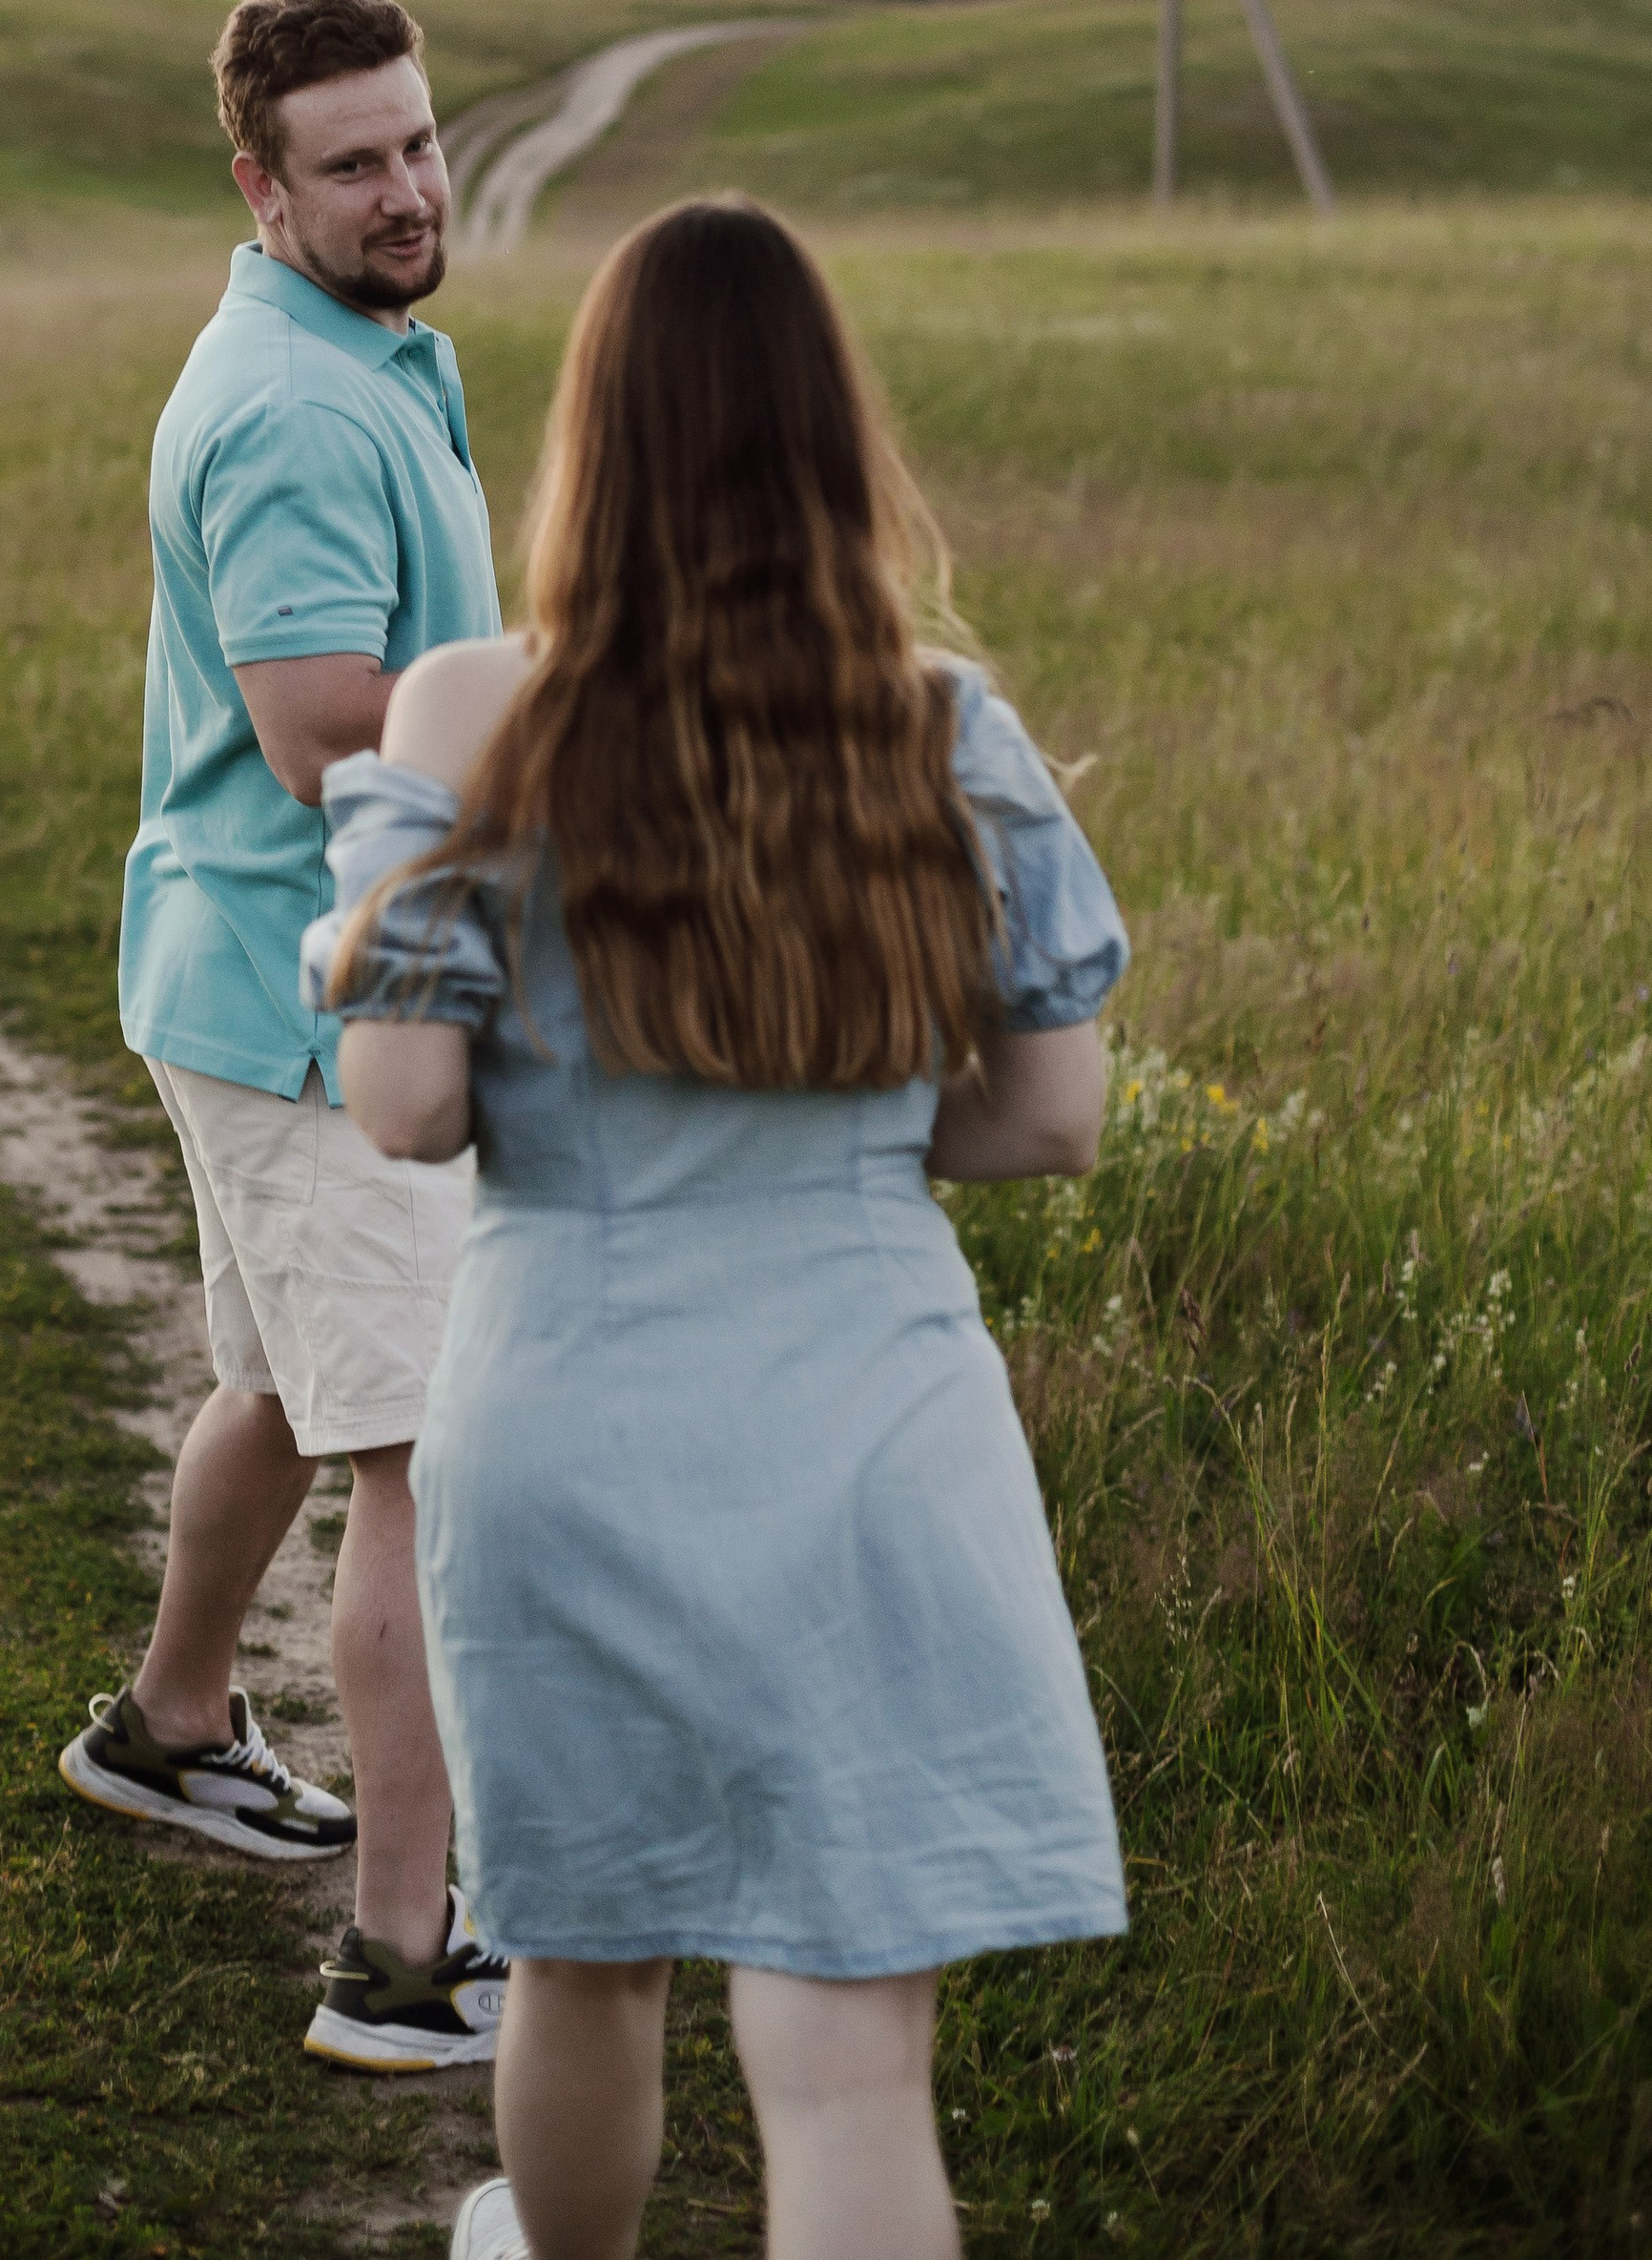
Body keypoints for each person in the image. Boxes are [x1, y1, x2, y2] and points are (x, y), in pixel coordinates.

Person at [299, 196, 1131, 2260]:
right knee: (848, 2050)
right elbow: (1046, 1124)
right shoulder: (939, 730)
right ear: (830, 439)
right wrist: (837, 1126)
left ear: (595, 435)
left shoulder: (470, 712)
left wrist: (390, 966)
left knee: (582, 1952)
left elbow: (405, 1113)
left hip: (568, 1411)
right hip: (871, 1411)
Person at [59, 0, 513, 2071]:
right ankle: (405, 1960)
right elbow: (328, 721)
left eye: (418, 141)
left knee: (270, 1379)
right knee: (414, 1457)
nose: (407, 188)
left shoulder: (349, 345)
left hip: (234, 979)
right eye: (352, 164)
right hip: (306, 996)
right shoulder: (304, 407)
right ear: (257, 186)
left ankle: (165, 1728)